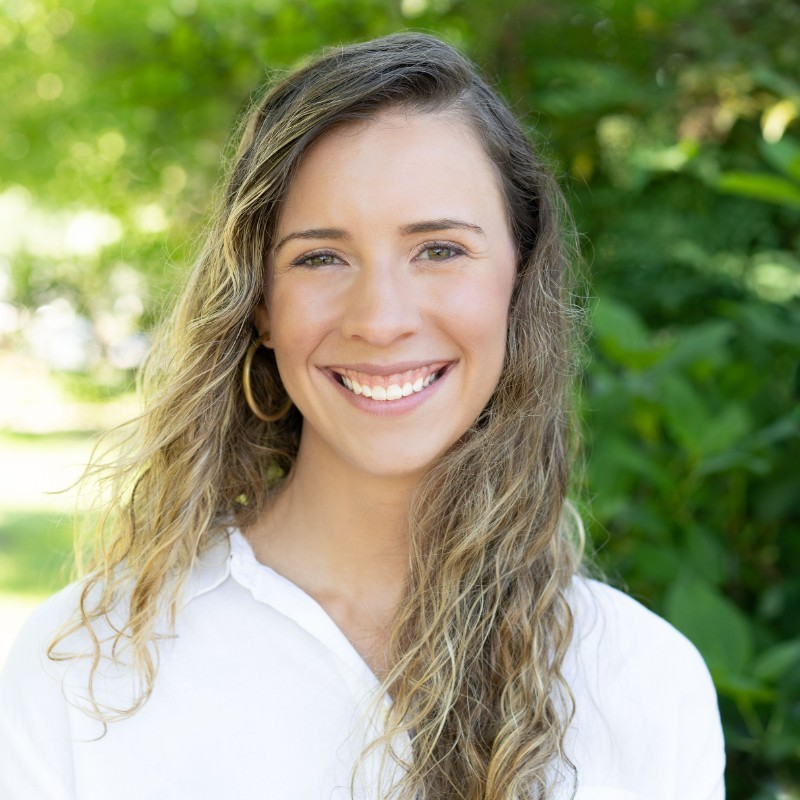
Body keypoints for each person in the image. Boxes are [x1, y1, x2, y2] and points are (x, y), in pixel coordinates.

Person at [0, 32, 725, 799]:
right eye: (321, 257)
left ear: (519, 282)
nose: (380, 320)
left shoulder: (641, 680)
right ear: (260, 305)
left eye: (440, 250)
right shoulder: (85, 668)